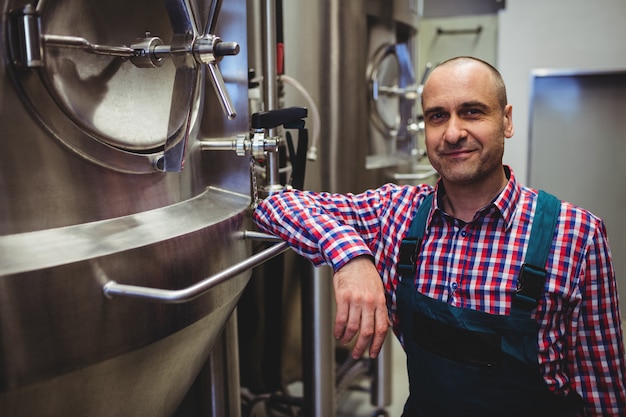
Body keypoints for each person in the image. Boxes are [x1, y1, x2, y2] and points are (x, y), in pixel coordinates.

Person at [253, 56, 626, 416]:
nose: (452, 133)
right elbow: (274, 205)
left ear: (507, 121)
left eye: (472, 111)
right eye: (437, 116)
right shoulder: (395, 212)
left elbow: (604, 393)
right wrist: (351, 257)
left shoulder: (577, 235)